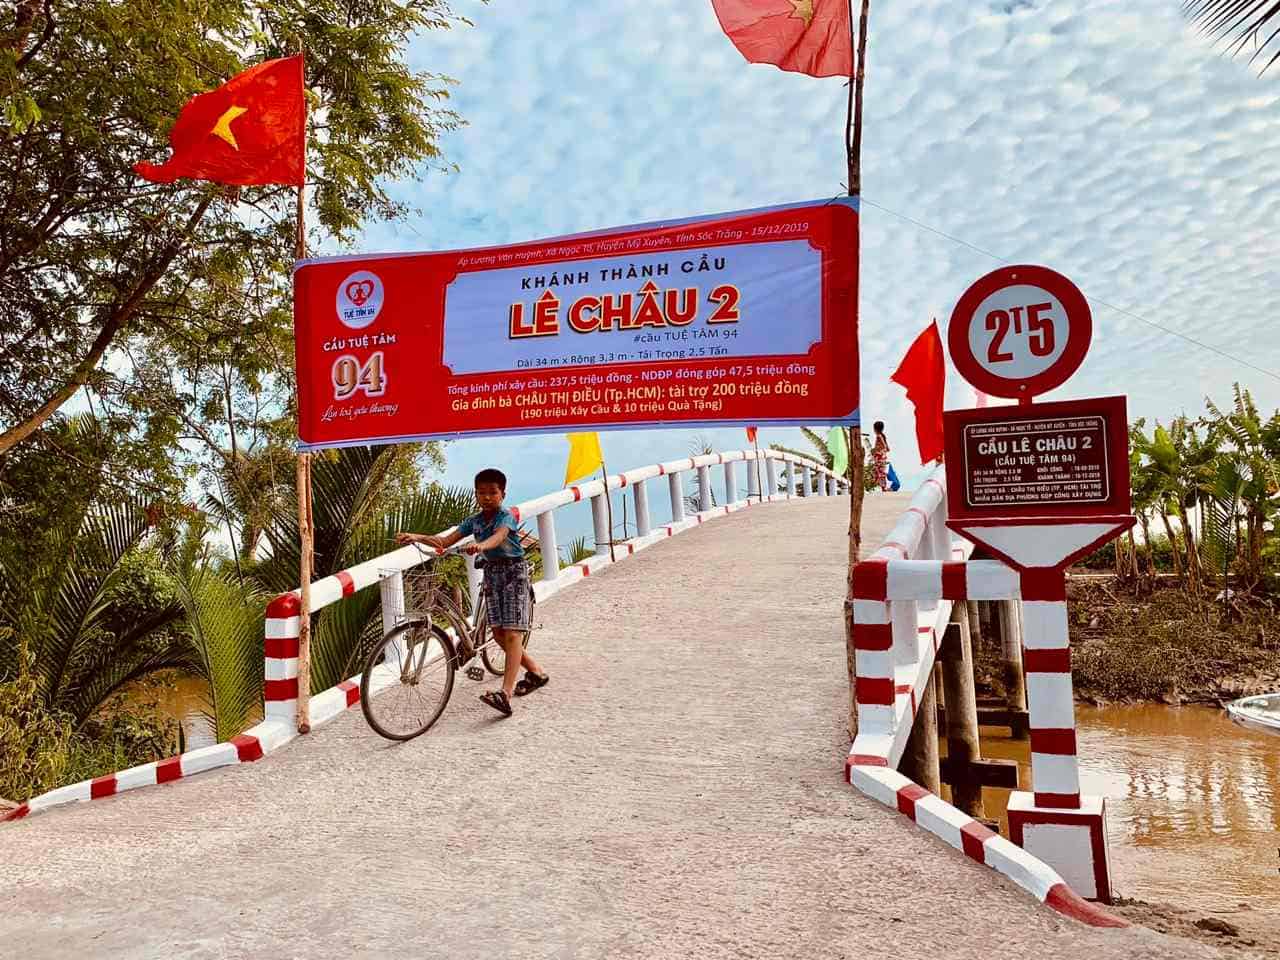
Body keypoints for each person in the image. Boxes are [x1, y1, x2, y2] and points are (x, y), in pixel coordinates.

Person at [395, 468, 548, 718]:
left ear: (503, 494)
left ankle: (505, 694)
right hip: (492, 573)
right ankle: (536, 672)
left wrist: (480, 545)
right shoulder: (474, 521)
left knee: (512, 633)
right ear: (476, 494)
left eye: (492, 492)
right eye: (481, 492)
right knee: (498, 634)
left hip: (514, 574)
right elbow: (444, 541)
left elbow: (499, 537)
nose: (487, 497)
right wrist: (416, 537)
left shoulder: (505, 517)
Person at [871, 421, 891, 492]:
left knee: (879, 472)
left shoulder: (879, 436)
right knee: (880, 471)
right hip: (882, 457)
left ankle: (883, 487)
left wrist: (875, 449)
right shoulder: (882, 436)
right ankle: (883, 487)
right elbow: (888, 449)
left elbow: (884, 446)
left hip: (879, 457)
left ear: (875, 429)